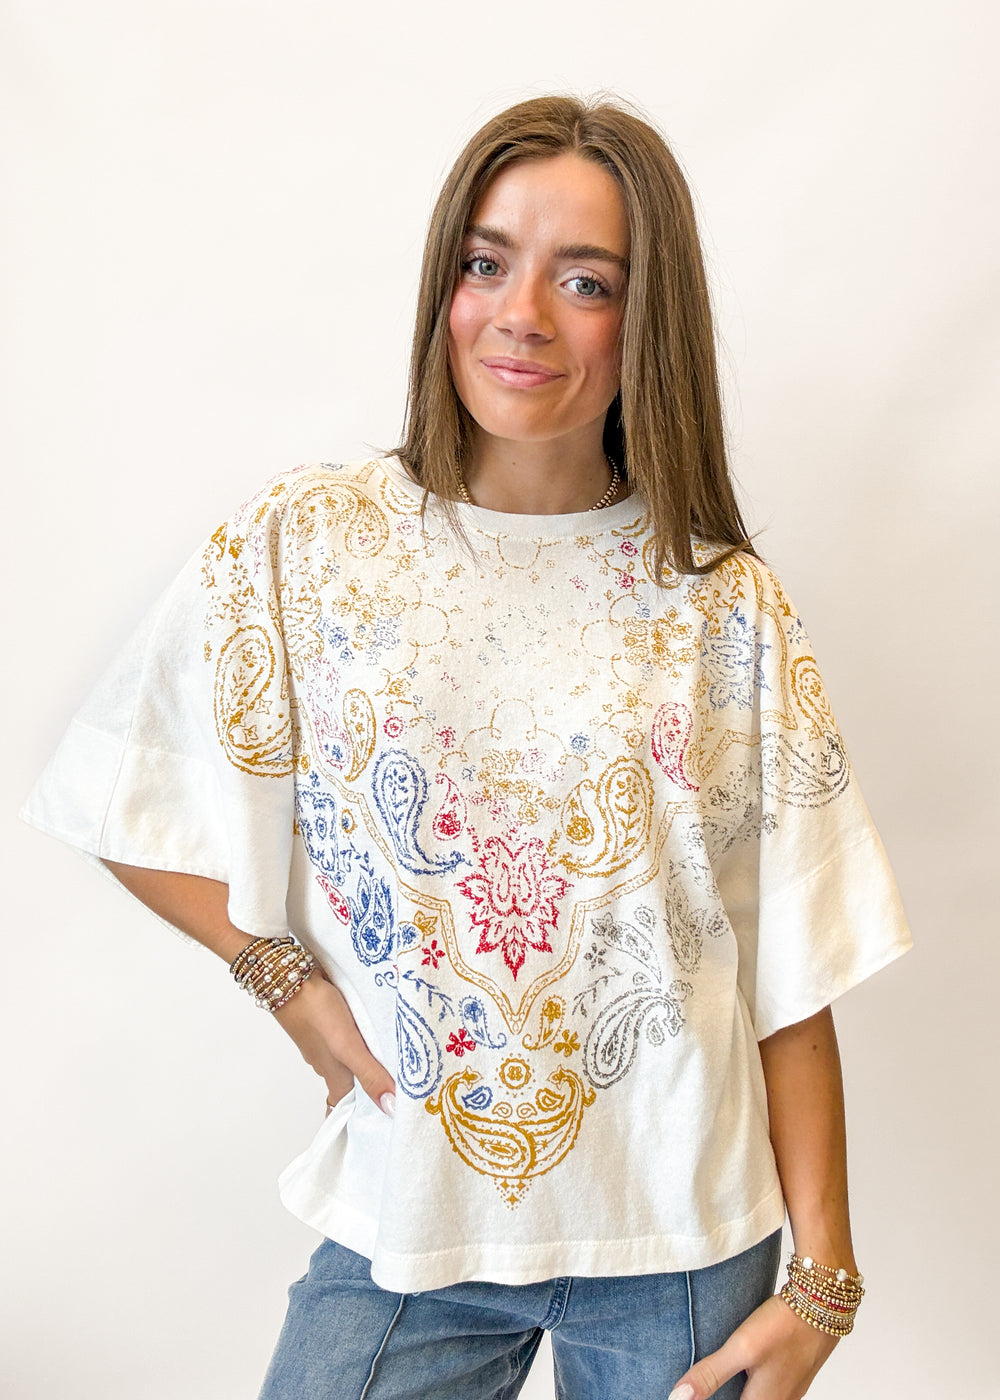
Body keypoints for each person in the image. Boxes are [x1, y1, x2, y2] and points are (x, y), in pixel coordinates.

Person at [21, 92, 911, 1399]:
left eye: (587, 279)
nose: (522, 313)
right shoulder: (309, 542)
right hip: (409, 1217)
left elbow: (790, 952)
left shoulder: (721, 601)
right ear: (444, 284)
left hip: (682, 1238)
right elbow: (118, 790)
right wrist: (283, 977)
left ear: (646, 315)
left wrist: (825, 1280)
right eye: (486, 262)